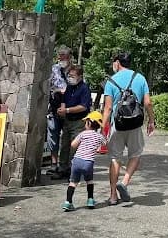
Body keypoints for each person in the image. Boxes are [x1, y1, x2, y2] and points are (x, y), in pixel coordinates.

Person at [102, 52, 155, 205]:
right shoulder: (140, 78)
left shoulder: (111, 81)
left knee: (115, 158)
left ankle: (112, 196)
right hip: (135, 124)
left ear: (117, 63)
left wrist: (102, 128)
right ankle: (124, 182)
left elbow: (108, 108)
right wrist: (151, 120)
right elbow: (148, 103)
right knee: (136, 154)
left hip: (117, 125)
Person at [50, 64, 92, 179]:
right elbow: (64, 100)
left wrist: (67, 110)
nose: (70, 78)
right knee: (64, 145)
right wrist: (62, 109)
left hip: (79, 121)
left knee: (75, 147)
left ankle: (74, 171)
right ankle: (63, 168)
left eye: (72, 76)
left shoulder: (84, 89)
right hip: (67, 120)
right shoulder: (69, 87)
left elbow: (83, 106)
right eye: (69, 75)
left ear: (80, 76)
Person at [61, 111, 106, 211]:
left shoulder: (82, 134)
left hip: (77, 161)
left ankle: (68, 202)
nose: (85, 123)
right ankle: (90, 200)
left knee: (73, 182)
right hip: (88, 162)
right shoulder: (99, 136)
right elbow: (105, 144)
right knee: (89, 181)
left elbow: (73, 145)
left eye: (86, 122)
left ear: (89, 123)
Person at [46, 45, 72, 177]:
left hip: (69, 109)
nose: (61, 58)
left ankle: (65, 165)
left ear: (69, 57)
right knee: (53, 135)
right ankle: (53, 164)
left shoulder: (74, 70)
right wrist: (58, 90)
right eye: (60, 56)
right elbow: (50, 86)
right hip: (54, 107)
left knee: (67, 137)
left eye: (64, 56)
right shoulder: (53, 69)